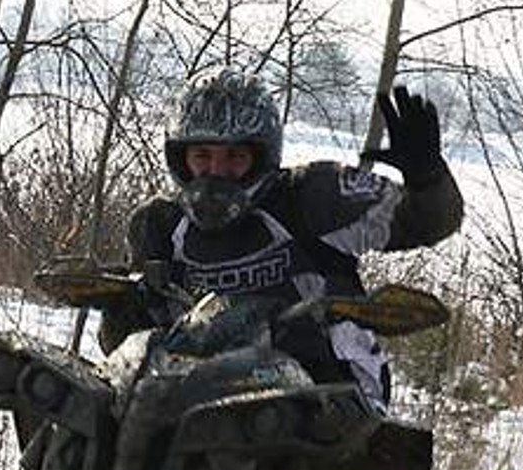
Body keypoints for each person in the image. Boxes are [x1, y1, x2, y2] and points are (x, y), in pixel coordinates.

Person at [98, 67, 463, 411]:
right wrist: (121, 311)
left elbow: (428, 222)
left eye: (234, 157)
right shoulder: (160, 225)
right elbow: (132, 341)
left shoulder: (314, 197)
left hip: (329, 393)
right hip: (195, 398)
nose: (216, 172)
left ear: (262, 156)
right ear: (181, 158)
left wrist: (428, 178)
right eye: (202, 156)